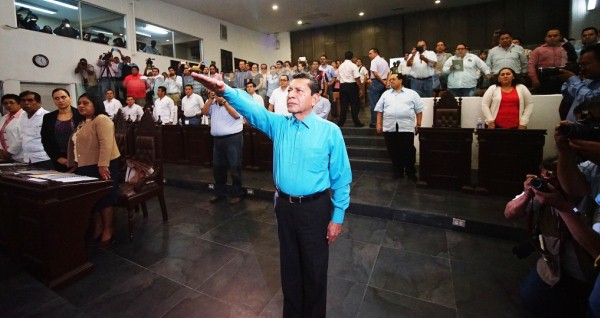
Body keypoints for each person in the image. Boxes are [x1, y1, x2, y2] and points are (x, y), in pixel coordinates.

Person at [191, 71, 351, 318]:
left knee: (315, 269)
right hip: (285, 207)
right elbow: (252, 110)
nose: (292, 94)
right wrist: (225, 90)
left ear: (316, 98)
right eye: (290, 90)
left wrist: (337, 216)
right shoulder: (279, 125)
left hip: (314, 209)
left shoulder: (330, 132)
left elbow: (341, 177)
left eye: (299, 90)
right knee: (289, 267)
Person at [504, 157, 597, 317]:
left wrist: (562, 206)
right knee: (530, 299)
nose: (548, 184)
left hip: (586, 274)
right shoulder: (544, 192)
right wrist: (527, 195)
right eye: (544, 178)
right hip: (552, 267)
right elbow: (509, 213)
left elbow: (597, 248)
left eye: (554, 179)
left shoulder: (593, 200)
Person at [67, 94, 121, 248]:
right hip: (86, 165)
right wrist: (76, 164)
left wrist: (103, 165)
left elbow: (106, 143)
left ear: (95, 104)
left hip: (104, 164)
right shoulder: (82, 123)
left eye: (86, 103)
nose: (82, 106)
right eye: (79, 103)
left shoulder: (102, 119)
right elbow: (79, 145)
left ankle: (108, 230)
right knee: (93, 199)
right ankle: (97, 228)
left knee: (105, 198)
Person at [375, 73, 424, 181]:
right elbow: (379, 110)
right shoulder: (386, 94)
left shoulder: (412, 94)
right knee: (393, 150)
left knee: (408, 151)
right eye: (390, 79)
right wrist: (378, 123)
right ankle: (398, 171)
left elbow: (419, 110)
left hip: (406, 127)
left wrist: (419, 124)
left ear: (401, 80)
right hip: (389, 127)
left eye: (393, 79)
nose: (391, 81)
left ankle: (410, 172)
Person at [200, 90, 244, 205]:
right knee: (218, 168)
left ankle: (237, 193)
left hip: (232, 138)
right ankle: (220, 192)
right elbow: (204, 112)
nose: (215, 94)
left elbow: (236, 115)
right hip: (218, 140)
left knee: (235, 168)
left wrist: (224, 102)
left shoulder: (234, 101)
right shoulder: (212, 102)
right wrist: (210, 100)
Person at [41, 88, 83, 172]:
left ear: (70, 98)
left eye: (63, 97)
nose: (60, 100)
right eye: (57, 98)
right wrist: (58, 158)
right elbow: (45, 139)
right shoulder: (48, 117)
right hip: (59, 159)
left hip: (81, 158)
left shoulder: (81, 114)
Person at [560, 43, 600, 121]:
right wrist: (570, 79)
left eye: (585, 64)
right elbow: (568, 98)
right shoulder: (588, 81)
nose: (582, 68)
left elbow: (592, 101)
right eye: (580, 65)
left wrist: (572, 79)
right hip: (574, 130)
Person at [528, 29, 569, 94]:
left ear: (560, 37)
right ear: (545, 38)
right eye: (549, 36)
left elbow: (572, 62)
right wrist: (534, 79)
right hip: (544, 79)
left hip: (563, 77)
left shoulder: (566, 49)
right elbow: (531, 65)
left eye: (555, 36)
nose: (552, 38)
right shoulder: (538, 50)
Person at [19, 91, 52, 169]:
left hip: (45, 158)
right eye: (23, 101)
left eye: (30, 100)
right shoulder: (23, 116)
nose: (26, 103)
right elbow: (23, 136)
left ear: (39, 102)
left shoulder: (47, 116)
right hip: (28, 159)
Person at [337, 51, 364, 127]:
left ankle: (341, 122)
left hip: (342, 86)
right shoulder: (353, 65)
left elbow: (338, 79)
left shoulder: (340, 66)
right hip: (352, 86)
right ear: (352, 57)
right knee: (354, 104)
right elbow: (357, 78)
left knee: (343, 105)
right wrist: (360, 88)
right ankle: (356, 122)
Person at [368, 48, 391, 127]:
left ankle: (374, 122)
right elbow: (389, 72)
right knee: (383, 103)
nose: (369, 55)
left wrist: (382, 81)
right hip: (384, 83)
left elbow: (375, 73)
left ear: (376, 53)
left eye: (370, 53)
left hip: (376, 82)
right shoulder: (384, 61)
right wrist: (386, 82)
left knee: (374, 103)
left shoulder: (374, 61)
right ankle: (384, 122)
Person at [0, 94, 24, 162]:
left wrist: (10, 152)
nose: (8, 105)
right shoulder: (3, 118)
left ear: (19, 104)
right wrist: (1, 150)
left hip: (21, 156)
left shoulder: (25, 116)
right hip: (5, 156)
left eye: (11, 102)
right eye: (5, 103)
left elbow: (22, 137)